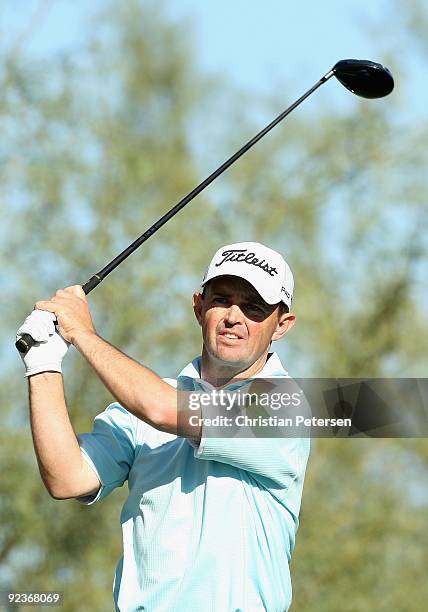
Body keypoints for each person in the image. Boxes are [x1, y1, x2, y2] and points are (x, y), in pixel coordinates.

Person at [17, 241, 310, 612]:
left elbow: (160, 409)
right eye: (221, 300)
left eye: (253, 308)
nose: (234, 317)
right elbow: (66, 478)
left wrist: (83, 334)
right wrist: (42, 364)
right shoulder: (138, 408)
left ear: (281, 325)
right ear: (199, 307)